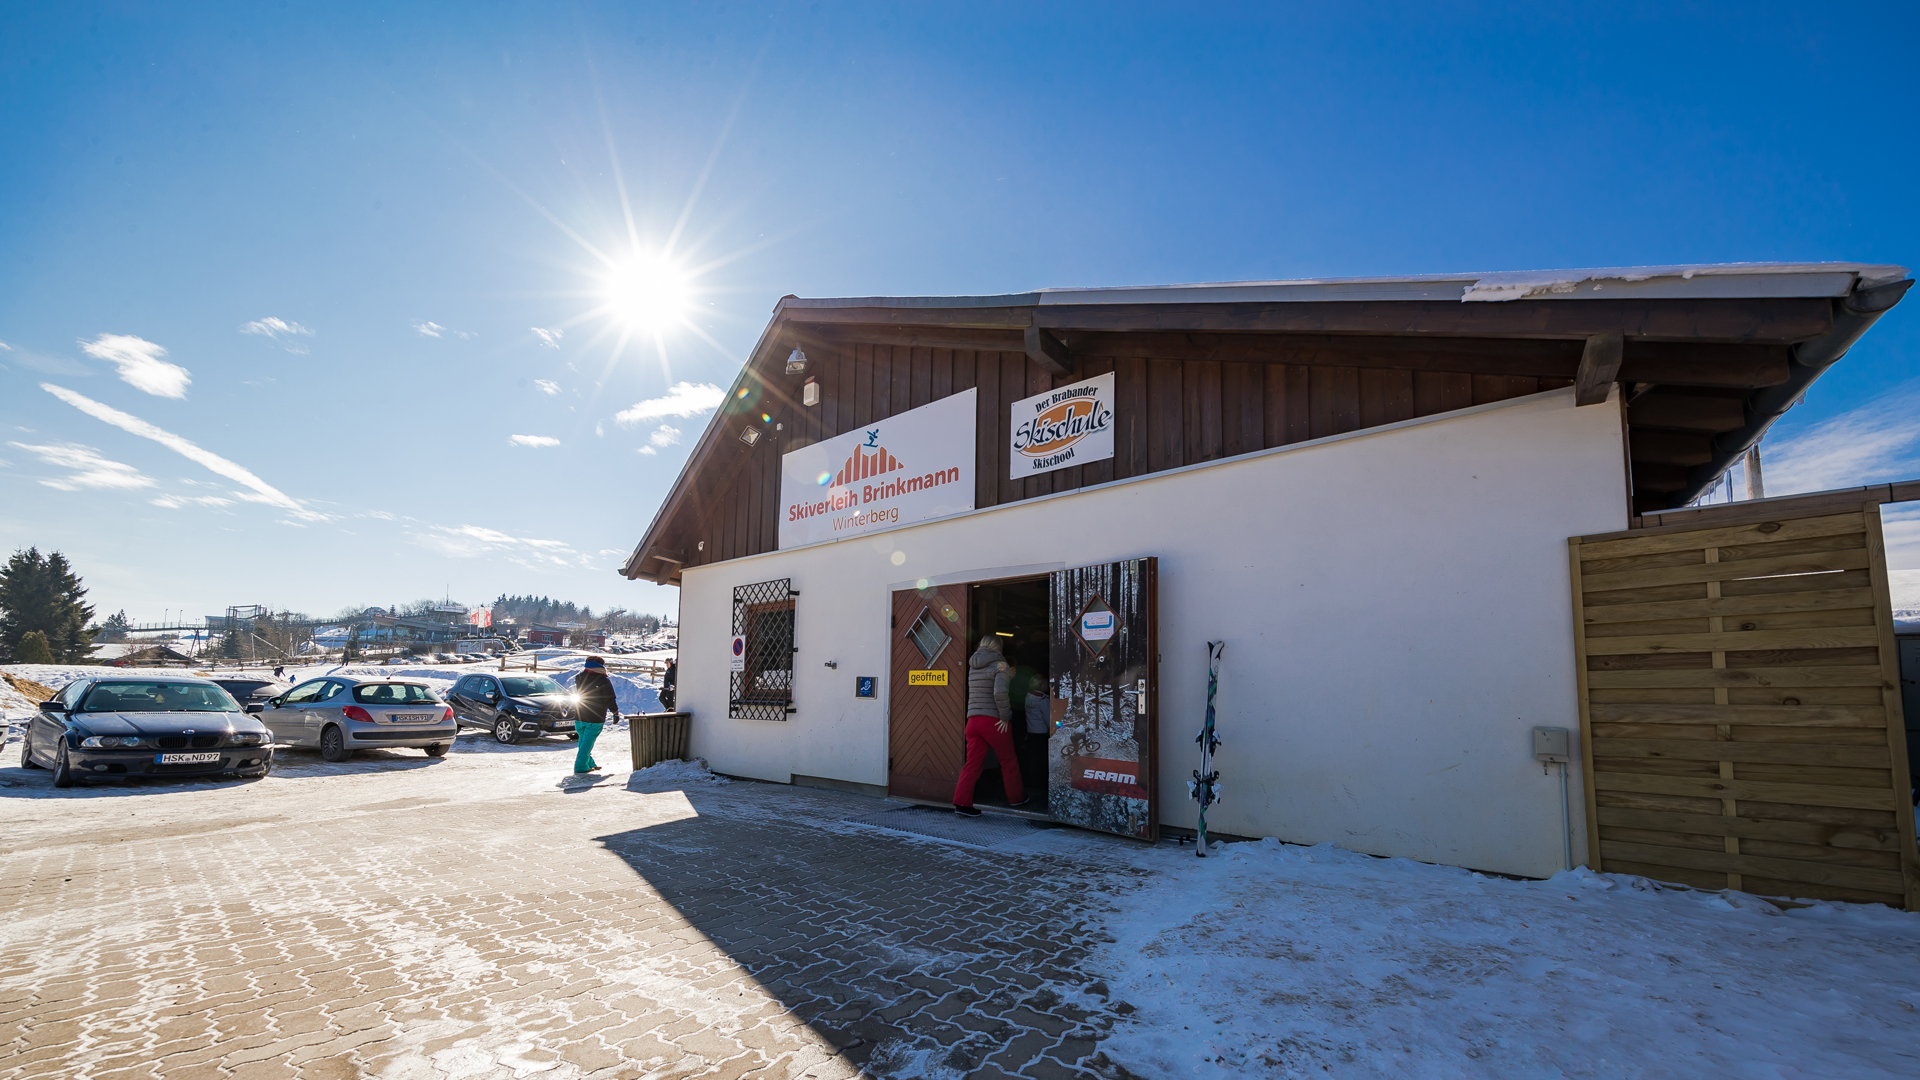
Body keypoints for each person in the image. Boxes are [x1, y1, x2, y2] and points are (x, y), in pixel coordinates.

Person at [953, 634, 1024, 816]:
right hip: (993, 720)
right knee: (1008, 760)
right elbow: (1000, 693)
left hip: (973, 720)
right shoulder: (1001, 664)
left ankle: (962, 804)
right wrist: (1006, 716)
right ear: (999, 647)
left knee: (972, 764)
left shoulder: (974, 665)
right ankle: (1017, 799)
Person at [572, 656, 619, 775]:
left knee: (583, 742)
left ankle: (589, 763)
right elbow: (610, 698)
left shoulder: (579, 677)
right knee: (587, 743)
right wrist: (615, 712)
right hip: (595, 717)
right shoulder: (603, 680)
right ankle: (581, 766)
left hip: (579, 715)